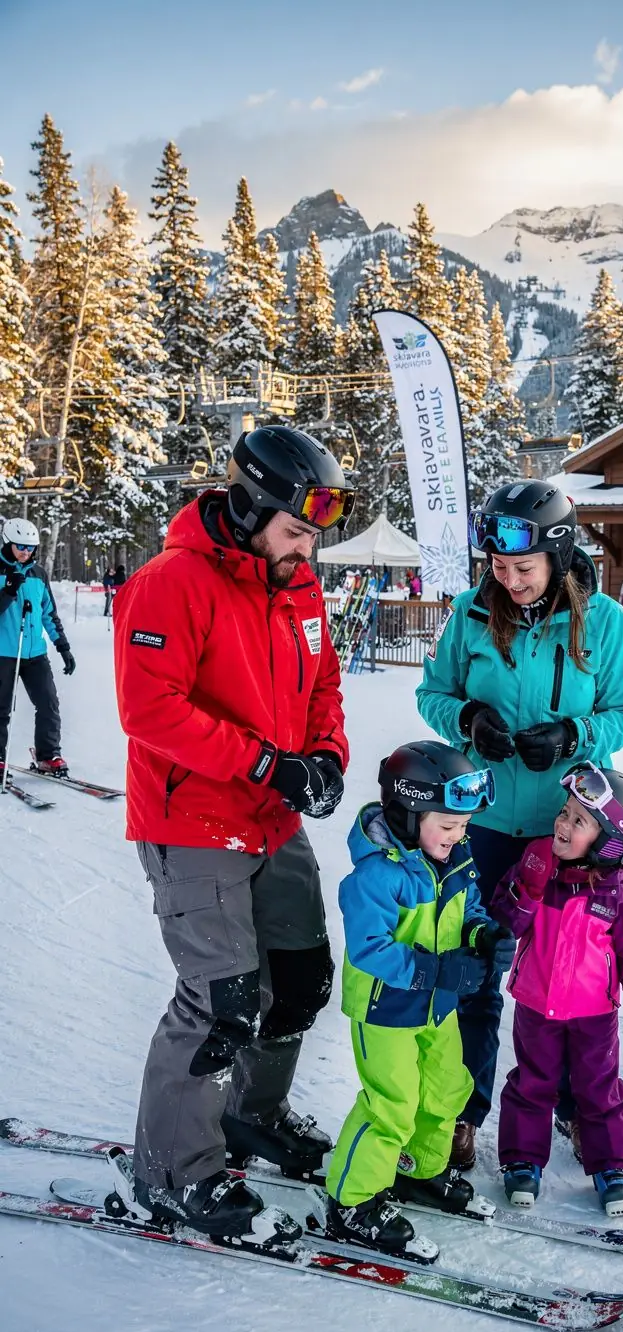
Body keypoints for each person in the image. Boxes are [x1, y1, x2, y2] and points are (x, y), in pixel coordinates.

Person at [113, 425, 355, 1237]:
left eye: (313, 534)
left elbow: (323, 683)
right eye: (295, 530)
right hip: (192, 818)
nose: (307, 548)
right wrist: (263, 763)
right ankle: (170, 1173)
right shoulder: (169, 583)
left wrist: (325, 755)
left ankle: (252, 1116)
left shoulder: (298, 583)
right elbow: (150, 710)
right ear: (249, 509)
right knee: (221, 1004)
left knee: (299, 980)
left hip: (270, 817)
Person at [416, 481, 623, 1170]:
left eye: (523, 568)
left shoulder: (602, 621)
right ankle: (462, 1111)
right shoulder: (469, 613)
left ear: (558, 556)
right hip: (483, 822)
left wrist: (575, 735)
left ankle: (575, 1105)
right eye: (498, 566)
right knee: (476, 968)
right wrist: (466, 719)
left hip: (567, 828)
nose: (509, 581)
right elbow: (433, 692)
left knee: (569, 979)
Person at [324, 740, 515, 1257]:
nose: (459, 836)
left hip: (437, 1004)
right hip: (386, 1009)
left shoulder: (453, 859)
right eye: (448, 825)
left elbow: (468, 908)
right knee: (392, 1104)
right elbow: (369, 949)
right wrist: (437, 969)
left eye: (464, 826)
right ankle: (351, 1201)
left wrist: (482, 935)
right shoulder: (376, 876)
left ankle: (417, 1169)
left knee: (446, 1089)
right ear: (409, 815)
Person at [493, 762, 623, 1218]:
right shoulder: (538, 868)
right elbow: (506, 922)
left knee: (599, 1088)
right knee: (532, 1084)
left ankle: (614, 1168)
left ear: (611, 842)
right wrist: (527, 888)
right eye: (565, 812)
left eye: (578, 820)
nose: (562, 824)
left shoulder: (618, 894)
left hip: (594, 1015)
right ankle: (522, 1161)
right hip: (536, 1005)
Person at [0, 517, 76, 781]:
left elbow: (49, 614)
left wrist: (63, 647)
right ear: (8, 543)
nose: (26, 552)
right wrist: (8, 591)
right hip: (4, 653)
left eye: (30, 547)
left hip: (35, 653)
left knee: (48, 703)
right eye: (20, 546)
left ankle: (47, 755)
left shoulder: (39, 574)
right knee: (1, 708)